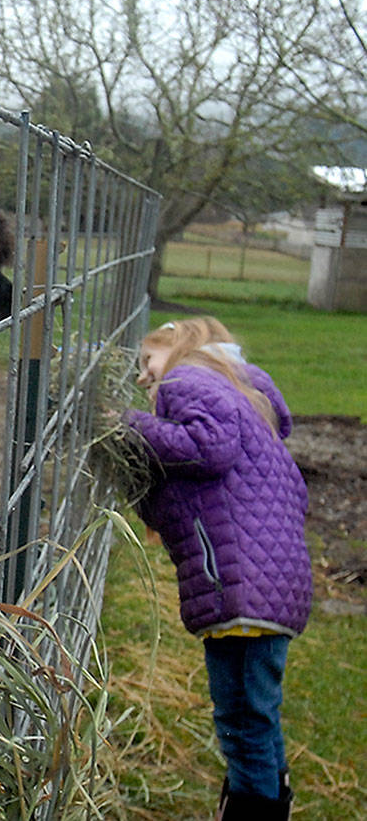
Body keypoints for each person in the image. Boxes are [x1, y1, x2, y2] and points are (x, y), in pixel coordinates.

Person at [124, 317, 311, 821]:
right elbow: (191, 486)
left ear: (178, 346)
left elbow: (208, 446)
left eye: (148, 360)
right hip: (267, 584)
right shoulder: (240, 396)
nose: (144, 376)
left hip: (241, 587)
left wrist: (124, 425)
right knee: (256, 717)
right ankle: (269, 798)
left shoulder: (187, 380)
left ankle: (254, 808)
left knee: (243, 722)